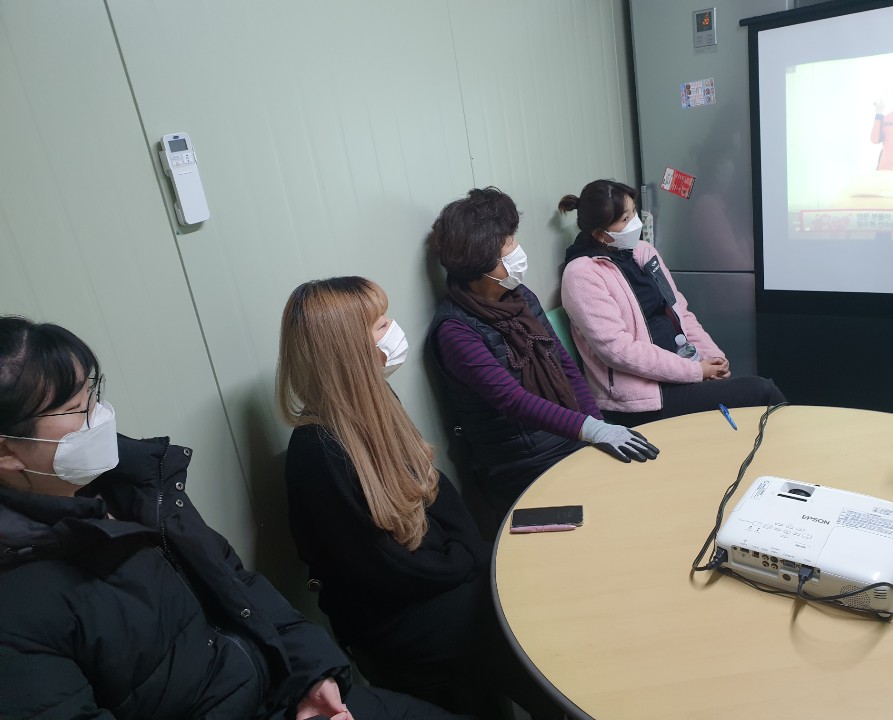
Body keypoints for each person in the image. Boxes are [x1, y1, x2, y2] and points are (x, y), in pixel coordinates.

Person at [0, 316, 464, 720]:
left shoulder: (137, 487)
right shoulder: (17, 604)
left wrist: (313, 672)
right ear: (7, 452)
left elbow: (238, 584)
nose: (101, 416)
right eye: (76, 408)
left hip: (286, 693)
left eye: (94, 392)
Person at [277, 277, 564, 720]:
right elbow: (387, 567)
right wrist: (467, 560)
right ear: (347, 349)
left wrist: (471, 553)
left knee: (527, 590)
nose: (393, 330)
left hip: (438, 577)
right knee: (516, 628)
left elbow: (437, 492)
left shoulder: (377, 402)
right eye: (380, 324)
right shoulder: (317, 451)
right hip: (396, 617)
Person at [427, 187, 659, 520]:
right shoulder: (455, 331)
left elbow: (564, 365)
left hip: (567, 437)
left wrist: (598, 425)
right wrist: (591, 430)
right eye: (508, 243)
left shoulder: (518, 296)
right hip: (522, 463)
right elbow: (513, 401)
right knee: (612, 511)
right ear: (481, 259)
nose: (517, 249)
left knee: (643, 486)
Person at [559, 180, 785, 427]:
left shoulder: (643, 252)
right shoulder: (581, 275)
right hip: (641, 399)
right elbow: (619, 351)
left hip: (680, 371)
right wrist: (696, 371)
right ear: (600, 234)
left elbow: (680, 312)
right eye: (625, 219)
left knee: (751, 402)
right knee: (762, 392)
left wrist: (713, 358)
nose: (635, 222)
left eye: (634, 212)